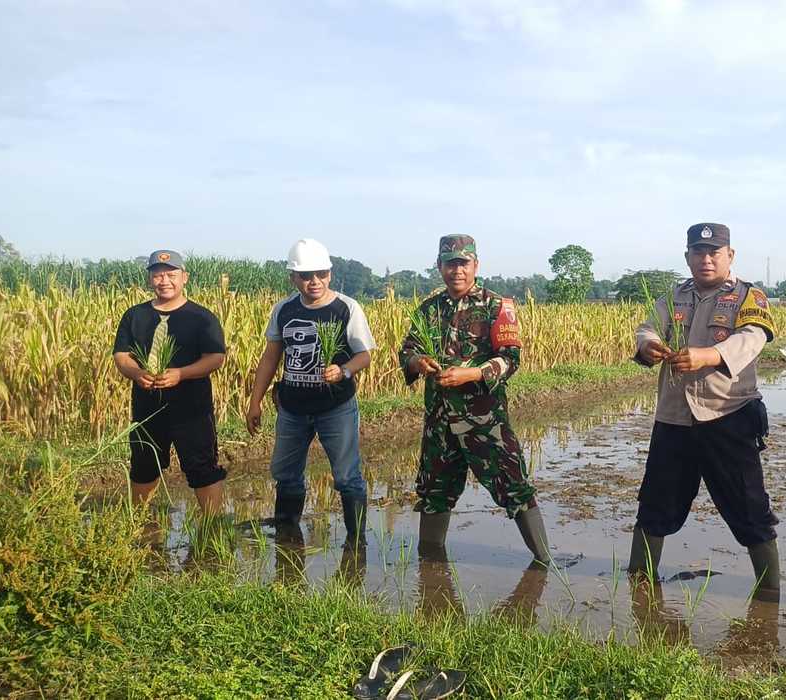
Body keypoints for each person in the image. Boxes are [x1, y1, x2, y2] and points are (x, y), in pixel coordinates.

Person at [628, 223, 780, 601]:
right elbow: (648, 328)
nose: (706, 259)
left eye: (714, 252)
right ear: (688, 257)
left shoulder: (749, 296)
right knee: (654, 505)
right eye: (698, 251)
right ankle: (639, 587)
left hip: (729, 415)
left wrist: (709, 355)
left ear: (730, 255)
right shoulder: (674, 296)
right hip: (674, 418)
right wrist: (649, 345)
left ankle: (769, 596)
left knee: (750, 509)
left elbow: (752, 338)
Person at [398, 234, 552, 566]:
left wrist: (472, 374)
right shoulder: (428, 309)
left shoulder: (497, 307)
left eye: (463, 263)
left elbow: (510, 359)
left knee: (515, 486)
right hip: (440, 422)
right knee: (434, 493)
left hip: (485, 421)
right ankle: (431, 570)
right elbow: (407, 351)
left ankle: (544, 563)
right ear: (439, 266)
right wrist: (417, 362)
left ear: (476, 265)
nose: (457, 270)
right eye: (450, 263)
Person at [245, 238, 376, 545]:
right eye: (305, 275)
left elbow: (365, 355)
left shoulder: (346, 308)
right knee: (286, 474)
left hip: (336, 407)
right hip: (292, 407)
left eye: (321, 274)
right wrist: (255, 401)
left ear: (330, 273)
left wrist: (343, 371)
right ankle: (288, 539)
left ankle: (356, 544)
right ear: (293, 277)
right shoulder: (284, 309)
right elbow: (270, 357)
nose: (314, 281)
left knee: (346, 477)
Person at [113, 249, 227, 516]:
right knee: (144, 465)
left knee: (202, 466)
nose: (164, 280)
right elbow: (121, 355)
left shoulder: (202, 317)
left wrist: (181, 374)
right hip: (147, 407)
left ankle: (212, 525)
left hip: (192, 408)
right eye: (158, 275)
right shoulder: (135, 316)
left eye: (171, 274)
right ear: (150, 279)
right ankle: (138, 522)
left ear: (184, 277)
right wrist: (136, 373)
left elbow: (215, 358)